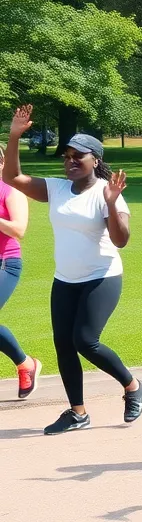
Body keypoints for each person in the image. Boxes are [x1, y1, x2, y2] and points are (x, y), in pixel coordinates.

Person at [4, 105, 142, 434]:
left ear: (95, 160)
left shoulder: (105, 192)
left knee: (85, 340)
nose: (69, 161)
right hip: (65, 279)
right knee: (63, 345)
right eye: (66, 155)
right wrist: (14, 136)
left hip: (102, 277)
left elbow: (121, 239)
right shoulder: (55, 188)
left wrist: (112, 203)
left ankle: (133, 385)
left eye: (77, 156)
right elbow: (11, 177)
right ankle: (78, 412)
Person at [0, 143, 40, 399]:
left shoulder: (11, 191)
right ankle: (26, 364)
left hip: (5, 262)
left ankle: (26, 364)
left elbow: (19, 230)